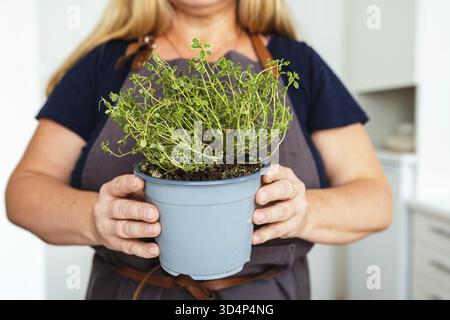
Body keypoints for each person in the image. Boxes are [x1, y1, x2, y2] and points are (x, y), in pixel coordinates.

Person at [5, 0, 392, 300]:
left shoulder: (299, 63)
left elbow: (376, 200)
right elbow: (24, 192)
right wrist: (94, 218)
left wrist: (304, 213)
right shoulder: (106, 63)